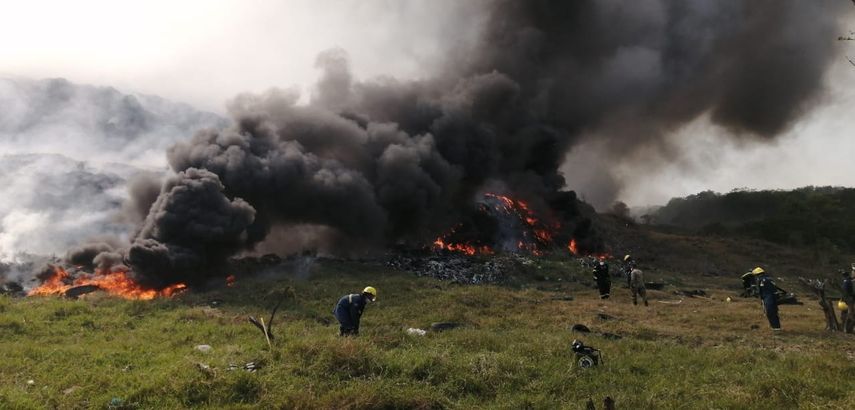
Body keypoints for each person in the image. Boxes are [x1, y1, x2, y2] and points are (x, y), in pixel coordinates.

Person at [842, 269, 854, 333]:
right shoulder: (848, 281)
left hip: (847, 298)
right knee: (850, 313)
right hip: (850, 298)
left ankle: (846, 328)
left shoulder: (846, 281)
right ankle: (847, 328)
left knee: (849, 313)